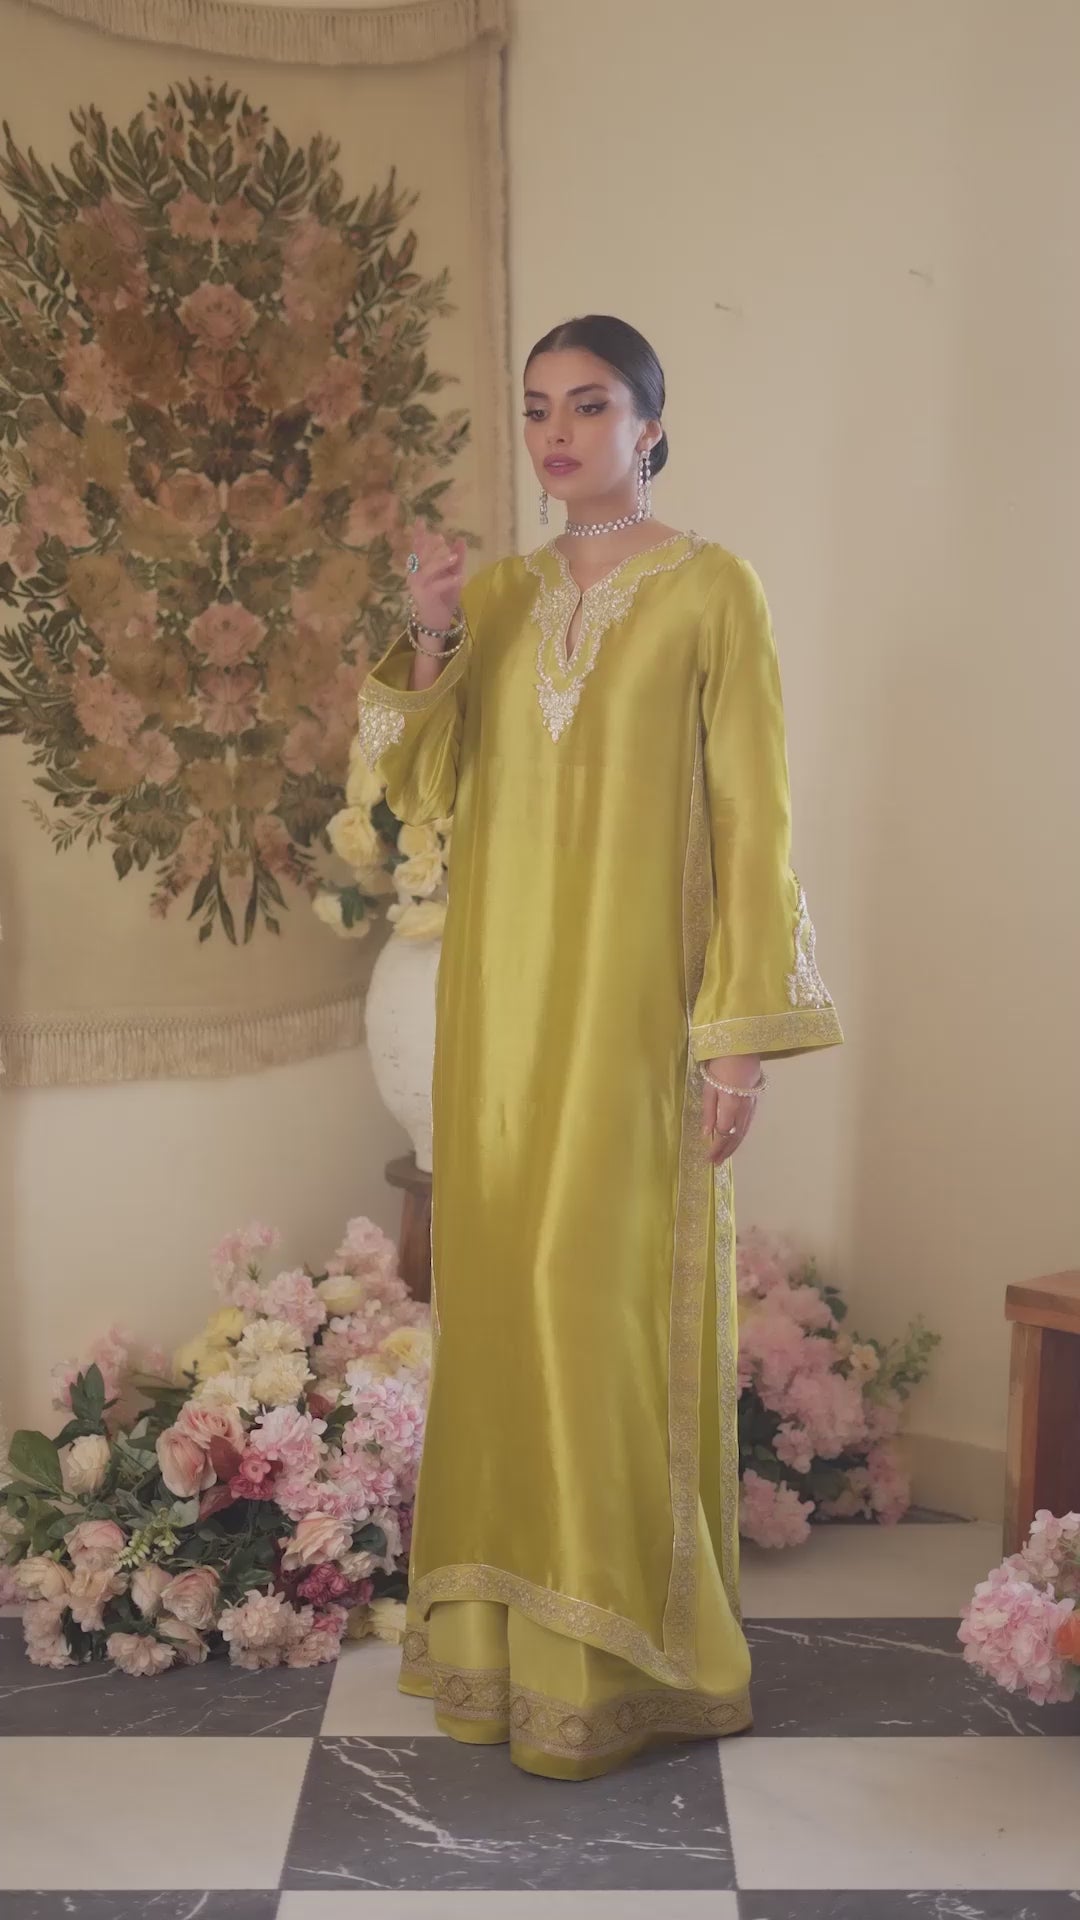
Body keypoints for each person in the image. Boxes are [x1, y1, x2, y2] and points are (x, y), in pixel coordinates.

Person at [356, 314, 843, 1780]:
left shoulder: (712, 589)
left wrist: (736, 1040)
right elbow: (412, 780)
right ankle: (500, 1655)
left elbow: (755, 816)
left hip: (637, 1019)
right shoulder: (500, 598)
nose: (557, 433)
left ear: (650, 424)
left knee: (607, 1312)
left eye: (588, 405)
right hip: (497, 1019)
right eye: (537, 409)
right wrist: (431, 630)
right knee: (506, 1315)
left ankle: (632, 1656)